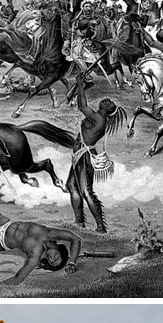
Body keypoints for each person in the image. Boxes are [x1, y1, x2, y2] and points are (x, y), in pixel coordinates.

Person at [66, 77, 127, 233]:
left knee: (86, 192)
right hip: (79, 156)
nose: (107, 101)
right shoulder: (97, 117)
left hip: (84, 157)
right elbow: (83, 105)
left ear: (109, 111)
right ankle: (79, 223)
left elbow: (82, 106)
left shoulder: (99, 118)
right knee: (72, 186)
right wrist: (82, 88)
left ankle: (101, 227)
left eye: (110, 104)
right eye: (107, 101)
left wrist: (80, 85)